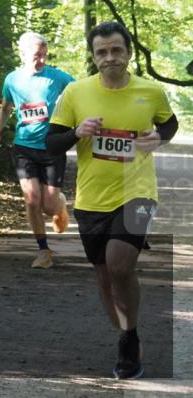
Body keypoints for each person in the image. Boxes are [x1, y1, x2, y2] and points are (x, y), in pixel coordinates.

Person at [46, 21, 178, 379]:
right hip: (91, 200)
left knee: (119, 265)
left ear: (128, 52)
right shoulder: (76, 92)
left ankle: (128, 339)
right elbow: (52, 143)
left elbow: (169, 124)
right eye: (102, 52)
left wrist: (157, 137)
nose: (110, 58)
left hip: (138, 194)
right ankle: (127, 334)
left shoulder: (150, 92)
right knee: (104, 274)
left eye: (116, 50)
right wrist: (77, 132)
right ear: (93, 57)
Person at [0, 32, 74, 268]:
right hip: (24, 146)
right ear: (23, 54)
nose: (42, 60)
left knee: (48, 205)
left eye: (45, 55)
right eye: (37, 55)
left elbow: (81, 93)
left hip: (52, 147)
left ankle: (60, 204)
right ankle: (43, 251)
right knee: (32, 199)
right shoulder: (12, 80)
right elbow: (5, 108)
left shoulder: (57, 77)